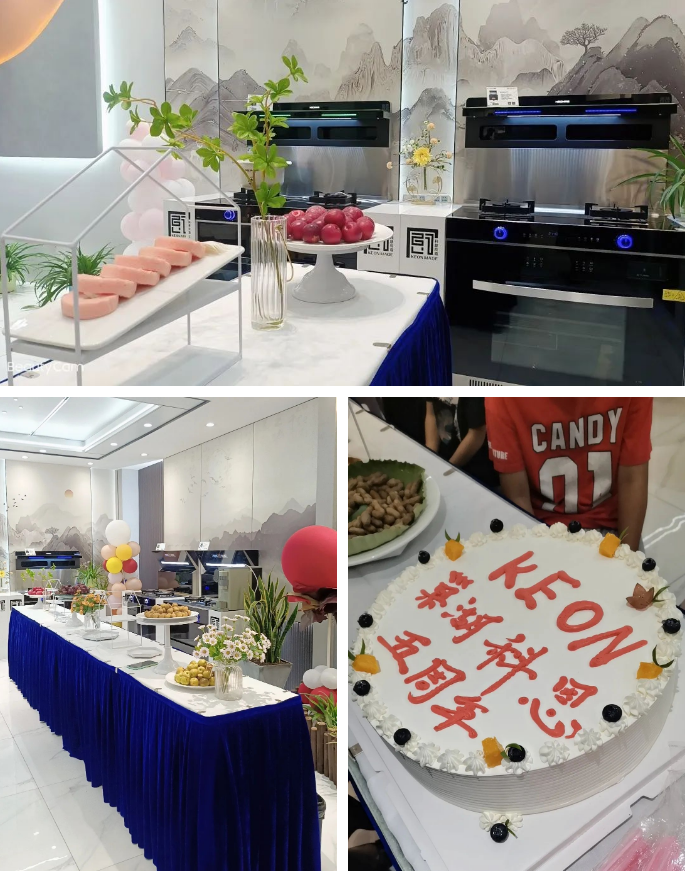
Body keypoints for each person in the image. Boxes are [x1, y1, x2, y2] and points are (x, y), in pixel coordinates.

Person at [484, 398, 652, 551]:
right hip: (540, 525)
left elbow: (632, 479)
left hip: (610, 525)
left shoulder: (633, 386)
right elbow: (518, 495)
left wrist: (627, 556)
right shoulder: (503, 395)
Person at [425, 398, 498, 488]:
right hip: (444, 460)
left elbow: (476, 434)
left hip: (475, 470)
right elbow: (431, 415)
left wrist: (446, 469)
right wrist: (430, 458)